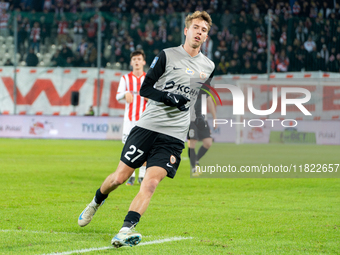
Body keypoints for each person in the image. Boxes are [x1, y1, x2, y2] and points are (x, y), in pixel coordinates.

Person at [78, 11, 215, 248]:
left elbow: (198, 97)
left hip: (173, 136)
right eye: (195, 28)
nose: (199, 32)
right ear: (186, 30)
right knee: (119, 178)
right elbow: (145, 89)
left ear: (206, 35)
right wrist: (169, 97)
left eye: (204, 30)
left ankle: (124, 230)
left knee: (150, 183)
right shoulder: (167, 55)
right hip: (147, 127)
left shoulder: (209, 65)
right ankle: (96, 202)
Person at [116, 49, 148, 185]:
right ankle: (130, 175)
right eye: (134, 59)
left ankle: (141, 175)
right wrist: (124, 94)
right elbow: (117, 96)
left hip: (145, 120)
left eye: (139, 59)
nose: (136, 61)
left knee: (145, 147)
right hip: (129, 120)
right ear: (131, 62)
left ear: (144, 62)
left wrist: (150, 97)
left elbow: (156, 98)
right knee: (128, 148)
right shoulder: (125, 78)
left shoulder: (148, 79)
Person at [188, 96, 217, 176]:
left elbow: (210, 102)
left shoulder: (204, 88)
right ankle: (194, 168)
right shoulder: (190, 86)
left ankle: (196, 159)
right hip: (191, 120)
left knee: (208, 143)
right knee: (192, 142)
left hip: (203, 120)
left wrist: (215, 118)